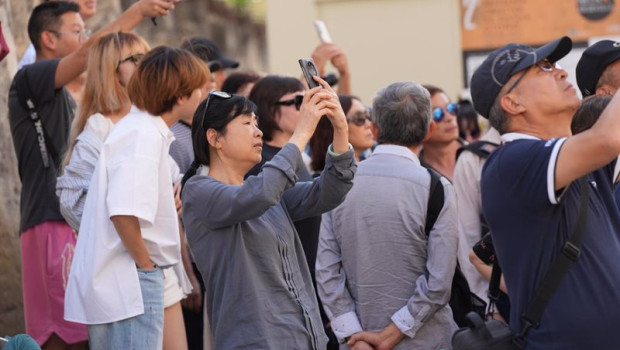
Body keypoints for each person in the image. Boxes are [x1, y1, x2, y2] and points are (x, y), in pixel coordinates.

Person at [7, 1, 175, 349]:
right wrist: (138, 12)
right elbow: (92, 53)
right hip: (52, 222)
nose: (85, 37)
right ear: (48, 39)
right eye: (77, 30)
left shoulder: (83, 102)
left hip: (82, 231)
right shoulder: (31, 78)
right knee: (59, 335)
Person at [180, 77, 355, 349]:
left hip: (305, 338)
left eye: (257, 123)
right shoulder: (198, 192)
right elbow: (256, 196)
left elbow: (330, 191)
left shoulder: (264, 188)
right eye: (247, 123)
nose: (258, 132)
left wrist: (340, 128)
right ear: (215, 138)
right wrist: (302, 132)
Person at [471, 36, 620, 349]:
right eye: (544, 68)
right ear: (513, 103)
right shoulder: (510, 161)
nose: (562, 72)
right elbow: (607, 139)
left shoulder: (575, 159)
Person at [63, 46, 209, 350]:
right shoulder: (143, 135)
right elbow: (123, 213)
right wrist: (147, 267)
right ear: (181, 96)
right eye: (199, 89)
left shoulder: (142, 129)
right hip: (131, 280)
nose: (203, 97)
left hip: (129, 279)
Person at [316, 81, 458, 350]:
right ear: (429, 130)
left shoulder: (340, 183)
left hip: (360, 339)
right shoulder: (437, 187)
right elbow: (438, 282)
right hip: (427, 340)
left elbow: (326, 271)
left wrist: (352, 336)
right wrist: (394, 332)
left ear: (375, 128)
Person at [18, 0, 98, 70]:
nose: (86, 40)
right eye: (77, 32)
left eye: (85, 32)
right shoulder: (33, 74)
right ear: (49, 40)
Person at [309, 95, 374, 173]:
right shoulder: (323, 181)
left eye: (368, 116)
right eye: (360, 118)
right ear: (335, 125)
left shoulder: (371, 167)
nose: (369, 124)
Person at [420, 85, 464, 181]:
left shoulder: (478, 157)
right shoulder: (417, 171)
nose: (449, 118)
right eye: (437, 113)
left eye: (451, 108)